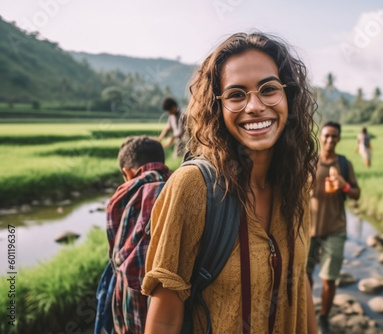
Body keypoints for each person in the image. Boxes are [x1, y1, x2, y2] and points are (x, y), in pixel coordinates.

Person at [141, 32, 318, 333]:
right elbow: (165, 319)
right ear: (217, 109)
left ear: (288, 95)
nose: (254, 106)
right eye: (237, 95)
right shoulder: (193, 187)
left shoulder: (297, 183)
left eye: (269, 89)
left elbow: (299, 285)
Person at [95, 136, 172, 334]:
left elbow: (115, 257)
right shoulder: (180, 186)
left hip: (134, 305)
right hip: (175, 301)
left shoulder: (120, 197)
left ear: (127, 172)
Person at [307, 122, 361, 333]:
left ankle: (324, 318)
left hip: (335, 229)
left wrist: (344, 185)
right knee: (305, 276)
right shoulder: (309, 162)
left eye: (334, 137)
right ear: (320, 136)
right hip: (309, 230)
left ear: (338, 139)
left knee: (329, 279)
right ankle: (308, 313)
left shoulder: (344, 164)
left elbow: (356, 194)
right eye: (327, 136)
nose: (330, 140)